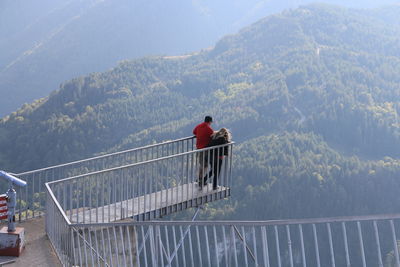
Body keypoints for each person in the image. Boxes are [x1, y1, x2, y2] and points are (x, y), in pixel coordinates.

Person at [193, 116, 214, 188]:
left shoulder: (199, 126)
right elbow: (213, 136)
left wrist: (200, 136)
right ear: (210, 121)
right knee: (205, 165)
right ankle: (200, 180)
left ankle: (199, 179)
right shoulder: (209, 128)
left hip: (198, 148)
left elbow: (194, 132)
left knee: (202, 164)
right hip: (205, 149)